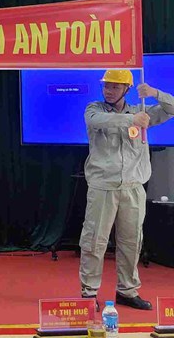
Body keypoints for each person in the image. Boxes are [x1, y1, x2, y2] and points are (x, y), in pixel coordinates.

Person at [80, 69, 174, 311]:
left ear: (127, 89)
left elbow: (172, 108)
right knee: (94, 241)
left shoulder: (140, 110)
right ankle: (89, 292)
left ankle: (127, 290)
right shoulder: (95, 109)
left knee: (132, 242)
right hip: (103, 187)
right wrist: (131, 120)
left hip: (133, 187)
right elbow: (97, 121)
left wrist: (155, 93)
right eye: (106, 86)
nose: (109, 91)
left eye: (115, 86)